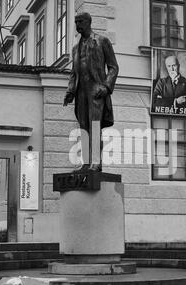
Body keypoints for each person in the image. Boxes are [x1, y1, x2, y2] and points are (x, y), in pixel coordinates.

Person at [63, 12, 119, 172]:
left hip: (96, 91)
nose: (77, 25)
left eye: (80, 21)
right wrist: (70, 91)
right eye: (75, 22)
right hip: (81, 91)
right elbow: (74, 72)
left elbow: (113, 67)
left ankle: (96, 162)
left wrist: (106, 87)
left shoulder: (102, 41)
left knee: (95, 127)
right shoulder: (75, 48)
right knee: (83, 128)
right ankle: (86, 163)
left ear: (88, 22)